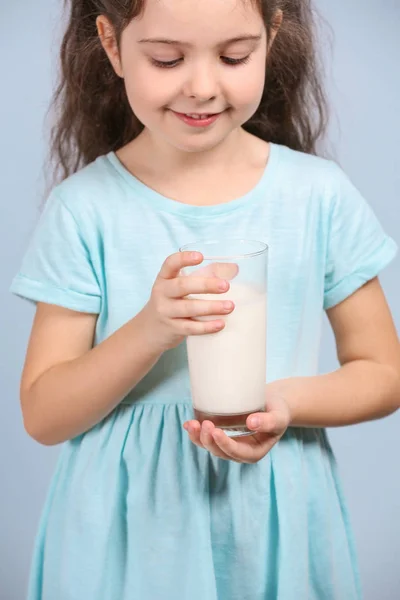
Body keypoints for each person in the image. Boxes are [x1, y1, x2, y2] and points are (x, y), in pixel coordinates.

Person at [11, 0, 400, 598]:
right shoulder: (84, 209)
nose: (201, 86)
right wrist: (149, 330)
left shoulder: (317, 196)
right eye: (167, 59)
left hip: (276, 522)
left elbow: (384, 372)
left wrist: (283, 404)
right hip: (127, 533)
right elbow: (43, 413)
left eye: (233, 56)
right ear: (112, 45)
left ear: (271, 37)